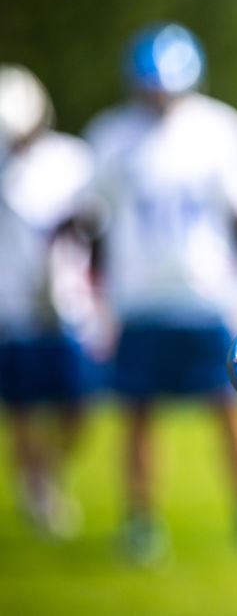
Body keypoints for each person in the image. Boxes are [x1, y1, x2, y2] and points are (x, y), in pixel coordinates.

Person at [84, 23, 237, 565]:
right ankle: (140, 524)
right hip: (140, 301)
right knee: (137, 415)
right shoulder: (111, 136)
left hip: (207, 299)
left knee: (233, 412)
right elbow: (89, 223)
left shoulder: (220, 129)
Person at [0, 64, 97, 539]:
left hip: (67, 305)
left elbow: (94, 221)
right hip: (11, 309)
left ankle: (48, 474)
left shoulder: (72, 159)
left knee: (79, 406)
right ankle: (35, 486)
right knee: (22, 409)